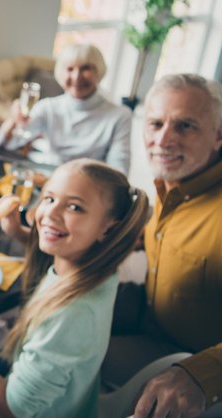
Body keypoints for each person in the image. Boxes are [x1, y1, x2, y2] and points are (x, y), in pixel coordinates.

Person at [0, 158, 149, 417]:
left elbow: (13, 409)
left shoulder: (74, 314)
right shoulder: (98, 268)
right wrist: (20, 233)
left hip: (18, 410)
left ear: (107, 228)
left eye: (75, 207)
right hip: (63, 402)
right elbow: (56, 254)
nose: (51, 214)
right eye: (49, 198)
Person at [102, 74, 222, 418]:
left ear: (218, 135)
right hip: (150, 317)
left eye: (185, 126)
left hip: (191, 356)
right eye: (155, 123)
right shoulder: (172, 184)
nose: (163, 139)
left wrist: (203, 374)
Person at [0, 43, 132, 174]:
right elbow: (7, 144)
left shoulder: (120, 115)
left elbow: (119, 171)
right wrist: (14, 120)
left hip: (91, 185)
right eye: (70, 69)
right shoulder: (48, 107)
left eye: (85, 68)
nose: (76, 77)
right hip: (49, 178)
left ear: (99, 71)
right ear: (61, 73)